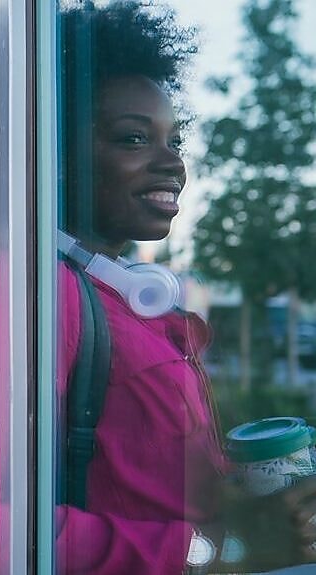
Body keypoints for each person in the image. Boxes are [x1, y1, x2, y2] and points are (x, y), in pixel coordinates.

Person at [54, 2, 316, 573]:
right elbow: (16, 524)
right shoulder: (50, 303)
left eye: (175, 140)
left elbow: (165, 484)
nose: (172, 162)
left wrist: (256, 501)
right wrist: (229, 548)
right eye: (132, 138)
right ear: (57, 155)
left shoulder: (133, 305)